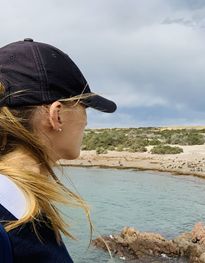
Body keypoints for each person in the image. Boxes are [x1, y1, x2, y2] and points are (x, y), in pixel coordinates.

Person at [0, 38, 117, 262]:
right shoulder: (10, 225)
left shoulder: (19, 209)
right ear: (57, 114)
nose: (86, 122)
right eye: (84, 107)